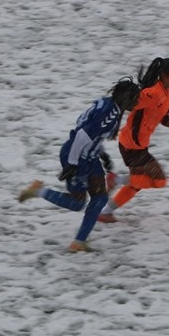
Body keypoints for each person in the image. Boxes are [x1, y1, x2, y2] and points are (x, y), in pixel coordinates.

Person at [18, 78, 141, 253]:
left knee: (100, 199)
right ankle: (38, 190)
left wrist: (102, 154)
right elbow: (82, 136)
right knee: (77, 203)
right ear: (125, 98)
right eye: (135, 99)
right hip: (77, 157)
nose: (136, 103)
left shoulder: (110, 105)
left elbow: (90, 133)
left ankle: (79, 242)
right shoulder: (109, 115)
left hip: (89, 157)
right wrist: (72, 164)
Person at [99, 58, 169, 223]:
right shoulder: (153, 93)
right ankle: (115, 180)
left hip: (136, 145)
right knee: (159, 180)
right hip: (132, 146)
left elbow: (163, 117)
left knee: (137, 183)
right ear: (163, 75)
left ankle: (105, 212)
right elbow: (128, 103)